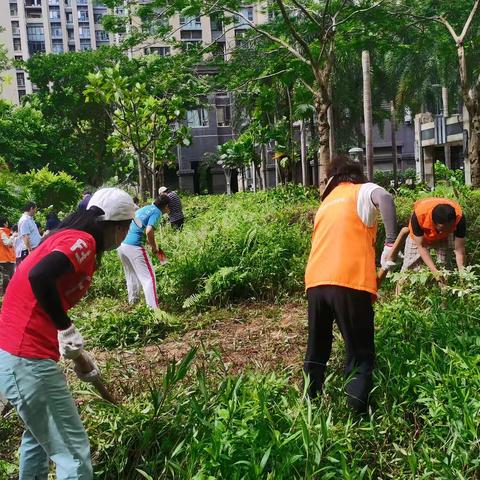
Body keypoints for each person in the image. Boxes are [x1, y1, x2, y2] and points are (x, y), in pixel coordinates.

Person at [0, 187, 138, 479]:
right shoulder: (83, 241)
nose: (124, 235)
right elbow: (39, 276)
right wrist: (66, 328)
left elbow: (37, 291)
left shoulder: (62, 237)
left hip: (16, 354)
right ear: (113, 225)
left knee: (38, 438)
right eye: (125, 227)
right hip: (27, 357)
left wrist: (74, 348)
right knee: (73, 453)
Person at [303, 156, 398, 413]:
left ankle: (310, 401)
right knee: (359, 351)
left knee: (317, 345)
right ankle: (356, 413)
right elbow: (386, 199)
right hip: (350, 281)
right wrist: (390, 243)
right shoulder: (361, 189)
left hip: (315, 282)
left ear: (333, 177)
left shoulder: (325, 204)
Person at [117, 194, 170, 309]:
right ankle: (154, 310)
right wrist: (154, 247)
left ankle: (133, 303)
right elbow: (149, 231)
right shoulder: (157, 212)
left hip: (122, 244)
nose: (169, 210)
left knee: (131, 276)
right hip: (134, 246)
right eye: (168, 207)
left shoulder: (145, 208)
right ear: (165, 206)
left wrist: (153, 246)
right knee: (149, 278)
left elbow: (139, 229)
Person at [401, 197, 466, 280]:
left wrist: (463, 275)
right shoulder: (419, 216)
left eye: (450, 226)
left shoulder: (459, 218)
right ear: (434, 222)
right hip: (421, 236)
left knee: (444, 268)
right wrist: (434, 271)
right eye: (443, 228)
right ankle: (399, 292)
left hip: (445, 234)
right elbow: (421, 246)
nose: (446, 230)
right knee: (408, 268)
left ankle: (444, 291)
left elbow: (459, 251)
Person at [0, 218, 16, 296]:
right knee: (8, 278)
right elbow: (8, 244)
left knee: (5, 277)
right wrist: (13, 236)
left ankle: (5, 295)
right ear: (4, 223)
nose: (8, 223)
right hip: (6, 259)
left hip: (3, 258)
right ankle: (6, 295)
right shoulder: (2, 232)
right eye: (7, 222)